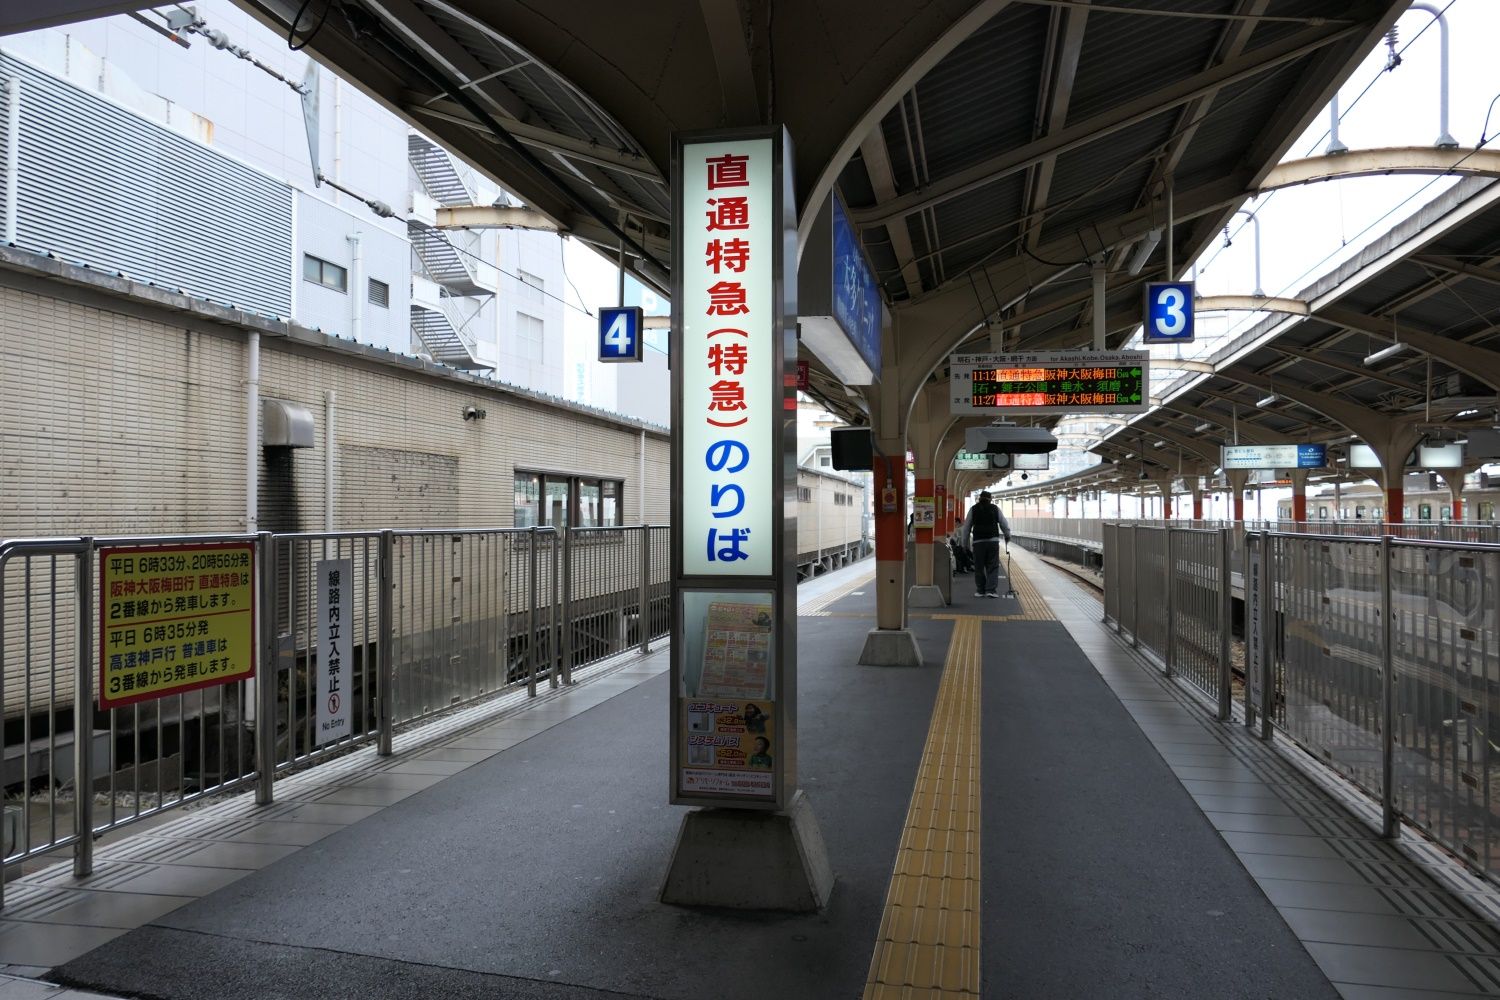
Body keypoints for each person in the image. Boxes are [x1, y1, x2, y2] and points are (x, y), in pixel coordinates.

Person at [960, 489, 1011, 598]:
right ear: (990, 499)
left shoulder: (973, 509)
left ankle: (980, 590)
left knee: (979, 566)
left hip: (978, 542)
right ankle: (991, 590)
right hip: (993, 541)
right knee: (993, 566)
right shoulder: (995, 509)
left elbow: (966, 528)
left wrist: (964, 544)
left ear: (979, 499)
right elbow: (1004, 523)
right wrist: (1007, 535)